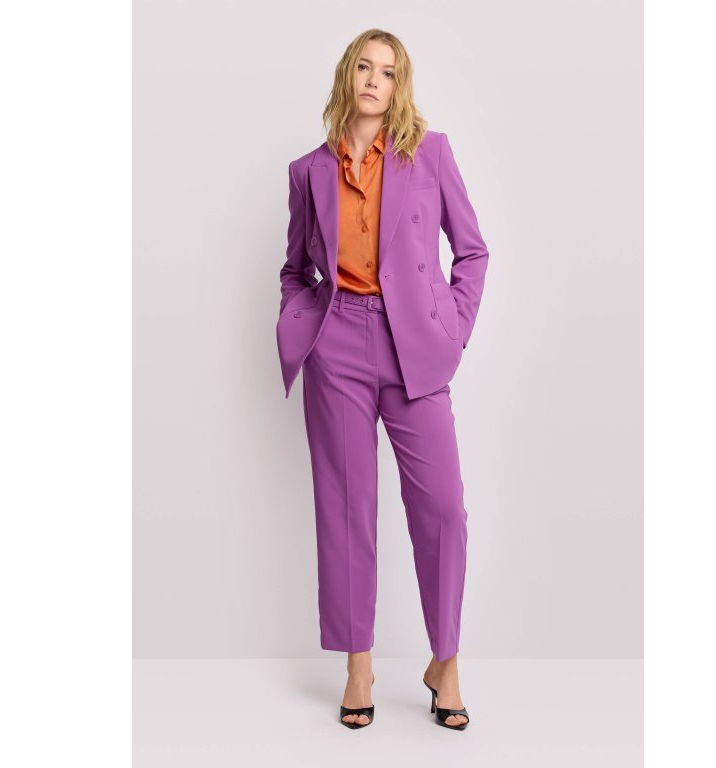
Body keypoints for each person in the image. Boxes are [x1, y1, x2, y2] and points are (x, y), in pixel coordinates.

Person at [275, 29, 489, 731]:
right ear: (348, 76)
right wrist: (303, 324)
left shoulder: (430, 154)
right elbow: (294, 269)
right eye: (364, 67)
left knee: (443, 507)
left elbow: (472, 251)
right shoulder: (309, 171)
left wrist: (451, 327)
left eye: (388, 71)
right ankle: (358, 665)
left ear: (400, 86)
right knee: (346, 508)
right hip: (337, 344)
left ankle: (445, 662)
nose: (374, 79)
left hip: (413, 347)